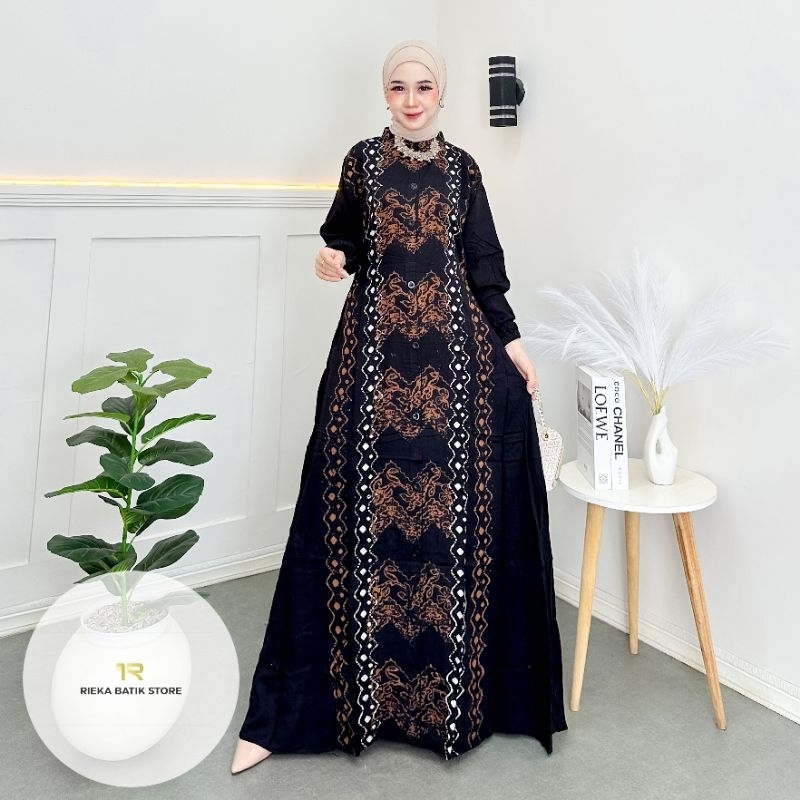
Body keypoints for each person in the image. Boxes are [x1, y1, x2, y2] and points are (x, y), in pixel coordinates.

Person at [231, 40, 566, 774]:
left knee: (450, 515)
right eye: (398, 88)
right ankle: (295, 713)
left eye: (423, 88)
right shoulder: (362, 161)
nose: (411, 100)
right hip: (372, 358)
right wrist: (330, 257)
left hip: (455, 367)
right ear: (384, 94)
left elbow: (483, 266)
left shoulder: (464, 170)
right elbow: (343, 238)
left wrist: (512, 343)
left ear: (440, 95)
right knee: (348, 503)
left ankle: (467, 700)